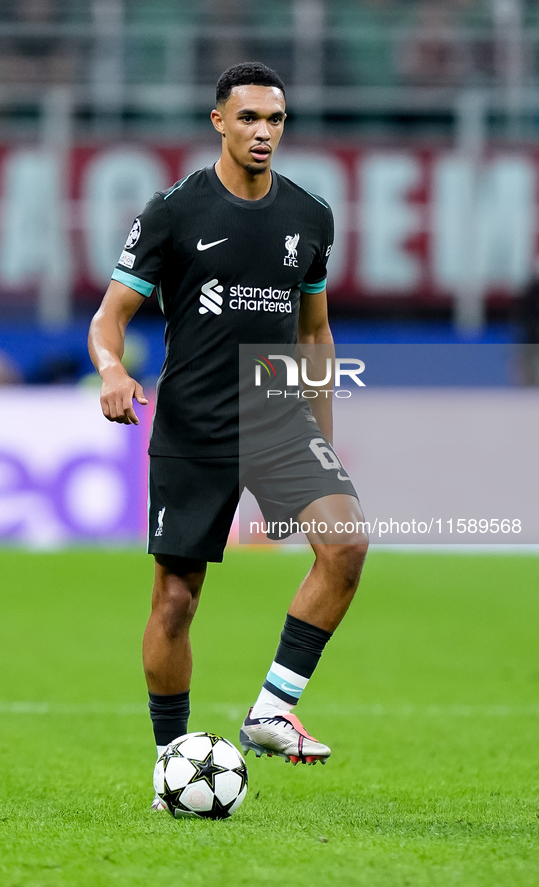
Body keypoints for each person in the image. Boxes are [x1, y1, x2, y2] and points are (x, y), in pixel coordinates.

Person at [88, 62, 369, 807]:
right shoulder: (175, 212)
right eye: (248, 118)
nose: (263, 132)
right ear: (219, 122)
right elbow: (108, 316)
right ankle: (170, 757)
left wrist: (324, 435)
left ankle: (273, 706)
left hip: (277, 416)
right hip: (195, 423)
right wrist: (112, 371)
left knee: (345, 544)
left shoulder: (309, 217)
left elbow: (315, 332)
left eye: (275, 120)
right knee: (176, 601)